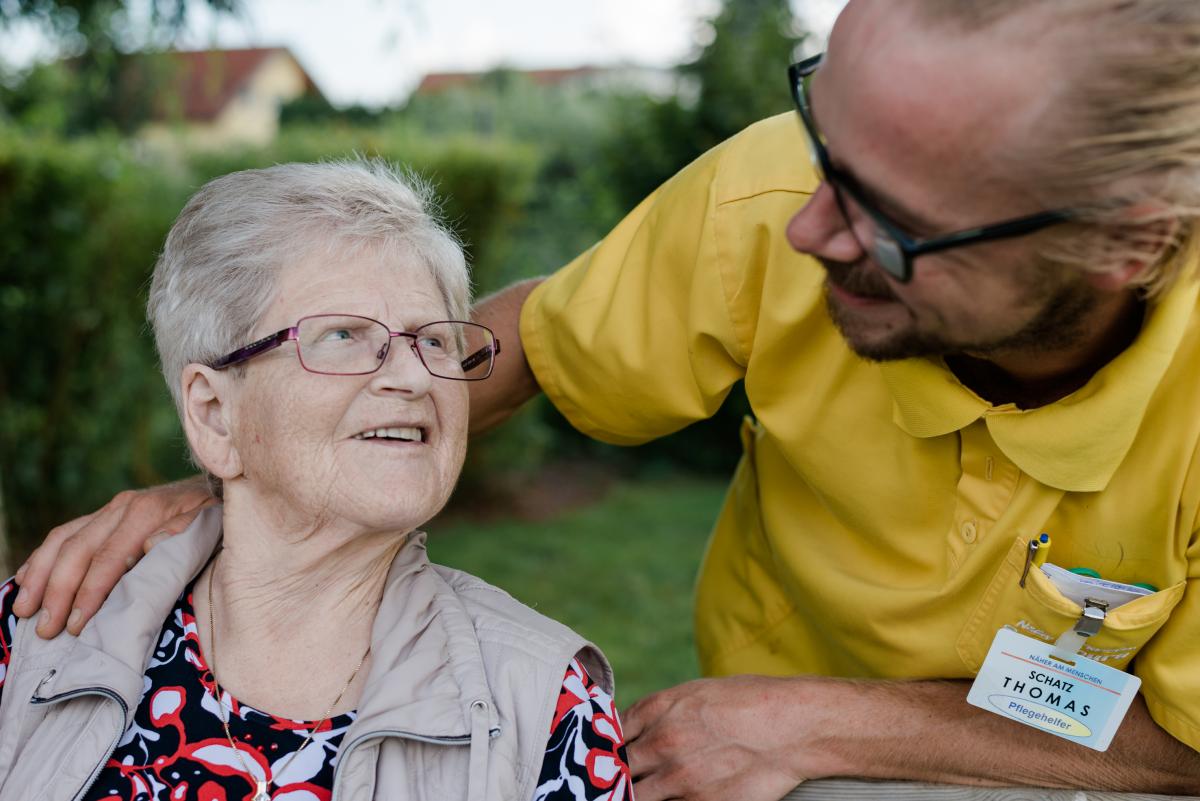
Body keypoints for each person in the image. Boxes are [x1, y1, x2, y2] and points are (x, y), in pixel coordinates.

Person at [12, 0, 1200, 798]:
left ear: (1128, 245)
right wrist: (245, 469)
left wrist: (816, 721)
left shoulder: (538, 704)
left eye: (892, 225)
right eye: (823, 147)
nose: (805, 229)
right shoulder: (769, 205)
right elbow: (530, 343)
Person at [0, 161, 635, 801]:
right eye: (343, 335)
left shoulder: (549, 709)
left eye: (434, 342)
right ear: (214, 414)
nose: (414, 378)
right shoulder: (32, 639)